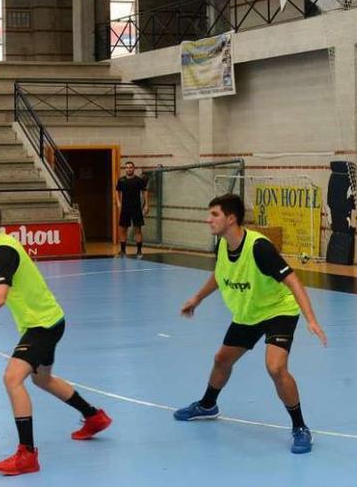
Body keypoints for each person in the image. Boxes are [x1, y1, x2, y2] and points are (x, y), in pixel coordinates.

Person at [0, 200, 112, 475]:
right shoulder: (2, 245)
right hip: (51, 319)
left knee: (12, 378)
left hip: (41, 326)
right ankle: (94, 417)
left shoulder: (3, 251)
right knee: (42, 379)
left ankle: (27, 454)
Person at [175, 194, 328, 454]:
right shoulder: (222, 244)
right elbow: (220, 274)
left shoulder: (259, 247)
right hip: (249, 313)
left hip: (278, 311)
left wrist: (311, 320)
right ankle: (207, 405)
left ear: (231, 218)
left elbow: (293, 281)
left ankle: (300, 428)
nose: (208, 219)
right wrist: (197, 298)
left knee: (276, 367)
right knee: (222, 359)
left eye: (214, 214)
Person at [115, 161, 149, 258]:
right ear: (125, 169)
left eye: (131, 167)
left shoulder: (139, 180)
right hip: (125, 208)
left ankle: (139, 251)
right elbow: (117, 191)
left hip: (136, 208)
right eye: (127, 167)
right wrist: (118, 202)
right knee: (123, 229)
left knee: (138, 229)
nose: (129, 169)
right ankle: (122, 251)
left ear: (133, 169)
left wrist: (146, 205)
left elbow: (144, 191)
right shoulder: (121, 180)